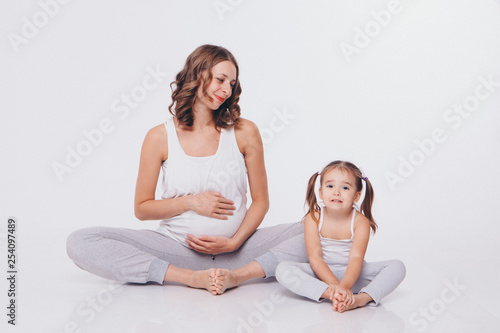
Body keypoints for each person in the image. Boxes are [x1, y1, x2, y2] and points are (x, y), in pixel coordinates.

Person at [66, 45, 306, 295]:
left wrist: (233, 242)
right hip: (176, 250)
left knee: (319, 227)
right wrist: (191, 203)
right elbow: (142, 208)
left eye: (232, 83)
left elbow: (261, 201)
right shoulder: (159, 137)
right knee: (80, 242)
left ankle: (238, 276)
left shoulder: (245, 132)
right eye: (220, 79)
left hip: (241, 251)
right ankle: (189, 278)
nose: (226, 89)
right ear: (197, 75)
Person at [276, 160, 406, 312]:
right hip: (321, 275)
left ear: (356, 196)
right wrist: (334, 286)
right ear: (321, 192)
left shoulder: (360, 222)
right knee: (283, 269)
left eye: (345, 187)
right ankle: (332, 295)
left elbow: (355, 258)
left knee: (397, 267)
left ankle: (360, 299)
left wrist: (344, 286)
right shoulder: (313, 218)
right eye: (330, 186)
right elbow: (315, 257)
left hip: (353, 275)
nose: (336, 192)